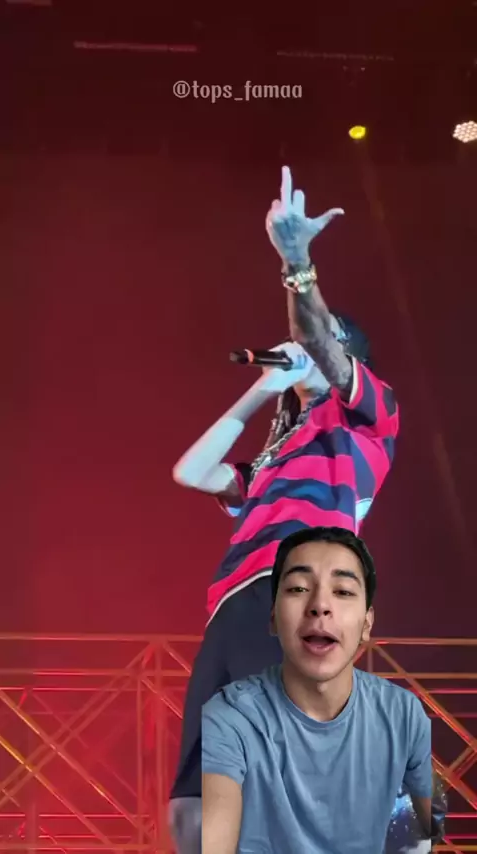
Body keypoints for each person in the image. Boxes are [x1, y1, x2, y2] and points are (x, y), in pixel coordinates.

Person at [168, 167, 399, 853]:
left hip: (293, 593)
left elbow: (321, 339)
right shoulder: (276, 452)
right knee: (194, 798)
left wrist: (296, 262)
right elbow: (191, 472)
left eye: (312, 345)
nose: (297, 349)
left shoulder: (367, 418)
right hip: (231, 607)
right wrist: (263, 392)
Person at [202, 526, 432, 854]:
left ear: (367, 624)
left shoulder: (404, 714)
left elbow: (424, 830)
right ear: (273, 617)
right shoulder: (230, 717)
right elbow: (215, 836)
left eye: (343, 591)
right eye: (298, 588)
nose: (320, 605)